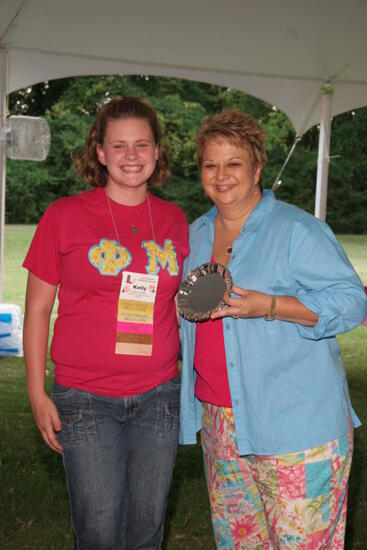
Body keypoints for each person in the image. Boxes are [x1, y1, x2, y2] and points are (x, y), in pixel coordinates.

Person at [179, 109, 367, 549]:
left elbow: (353, 302)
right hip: (222, 424)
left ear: (258, 167)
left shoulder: (298, 231)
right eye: (211, 164)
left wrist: (272, 306)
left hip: (296, 427)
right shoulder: (195, 234)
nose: (221, 175)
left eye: (234, 164)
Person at [23, 96, 189, 550]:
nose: (131, 156)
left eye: (142, 145)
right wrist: (37, 393)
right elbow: (37, 310)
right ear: (99, 151)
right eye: (119, 146)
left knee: (147, 530)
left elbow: (179, 302)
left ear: (157, 152)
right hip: (85, 398)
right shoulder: (63, 216)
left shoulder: (175, 220)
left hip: (159, 398)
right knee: (97, 532)